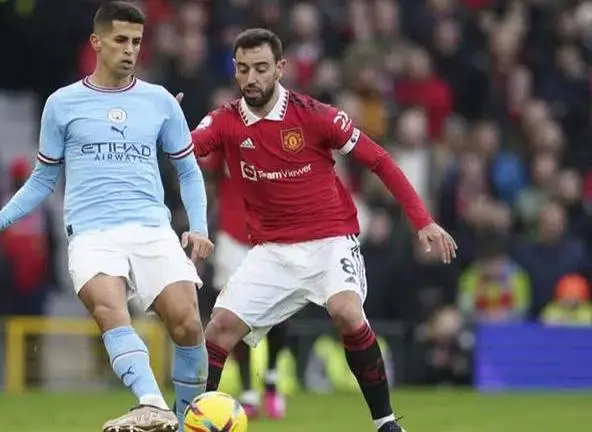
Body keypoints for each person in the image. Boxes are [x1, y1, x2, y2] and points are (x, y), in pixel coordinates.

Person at [188, 29, 457, 432]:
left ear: (280, 68)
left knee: (347, 312)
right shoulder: (226, 121)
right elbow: (186, 148)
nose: (251, 79)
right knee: (219, 329)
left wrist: (422, 220)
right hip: (272, 250)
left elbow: (379, 160)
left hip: (330, 242)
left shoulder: (316, 115)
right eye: (243, 69)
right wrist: (163, 125)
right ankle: (196, 420)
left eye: (261, 68)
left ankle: (385, 423)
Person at [0, 3, 212, 432]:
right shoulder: (62, 104)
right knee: (108, 308)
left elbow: (188, 170)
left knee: (188, 323)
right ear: (96, 43)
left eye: (136, 41)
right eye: (120, 40)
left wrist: (198, 226)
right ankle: (151, 401)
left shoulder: (159, 102)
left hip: (152, 228)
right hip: (92, 232)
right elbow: (44, 180)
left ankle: (183, 421)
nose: (130, 50)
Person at [200, 147, 287, 420]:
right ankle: (249, 390)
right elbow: (200, 162)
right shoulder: (225, 134)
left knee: (280, 310)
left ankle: (271, 377)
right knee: (233, 313)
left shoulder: (273, 136)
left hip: (271, 234)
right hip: (232, 236)